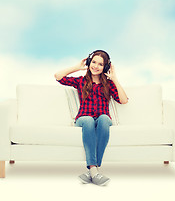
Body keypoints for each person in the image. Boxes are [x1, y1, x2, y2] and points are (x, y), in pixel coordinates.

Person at [54, 50, 128, 186]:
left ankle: (92, 171)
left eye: (100, 64)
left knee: (105, 119)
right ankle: (95, 170)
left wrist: (115, 78)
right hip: (83, 119)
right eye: (93, 62)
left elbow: (123, 100)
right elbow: (58, 76)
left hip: (102, 119)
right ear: (89, 63)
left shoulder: (109, 84)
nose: (96, 66)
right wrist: (77, 67)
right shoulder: (81, 81)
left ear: (105, 67)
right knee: (88, 119)